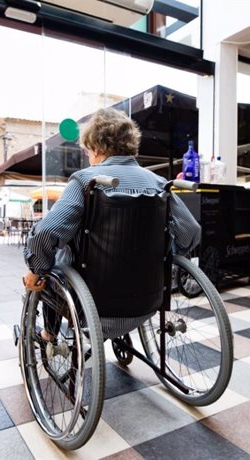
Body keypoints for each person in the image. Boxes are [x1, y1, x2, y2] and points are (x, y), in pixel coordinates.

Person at [22, 108, 201, 340]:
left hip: (94, 305)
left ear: (97, 147)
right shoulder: (159, 183)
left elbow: (46, 233)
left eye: (87, 149)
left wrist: (37, 267)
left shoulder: (86, 180)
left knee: (46, 269)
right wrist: (161, 254)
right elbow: (190, 232)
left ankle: (48, 335)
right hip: (147, 301)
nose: (87, 155)